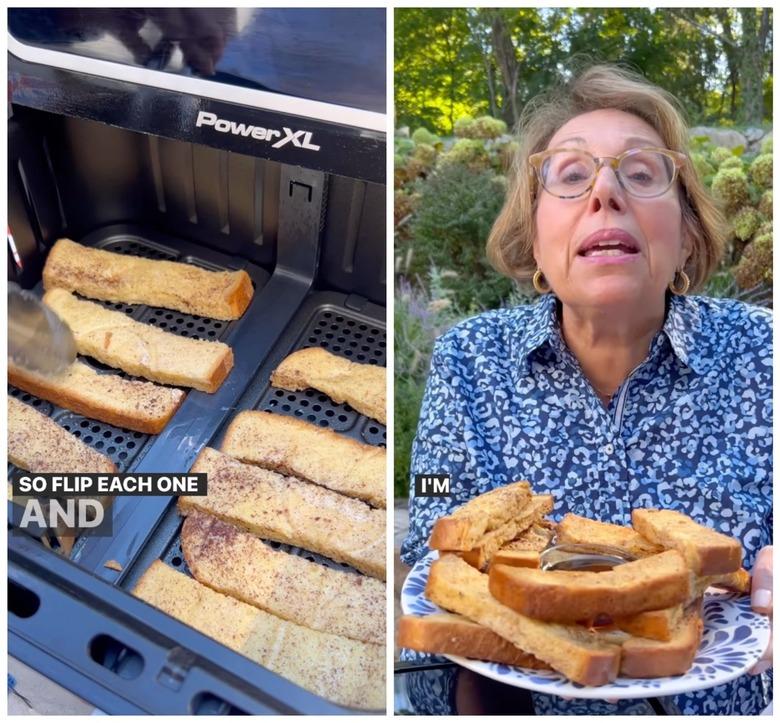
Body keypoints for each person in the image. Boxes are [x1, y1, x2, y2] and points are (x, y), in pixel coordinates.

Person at [400, 64, 772, 715]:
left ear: (687, 234)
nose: (606, 190)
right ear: (534, 241)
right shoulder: (469, 359)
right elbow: (433, 528)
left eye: (642, 171)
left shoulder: (765, 351)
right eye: (571, 175)